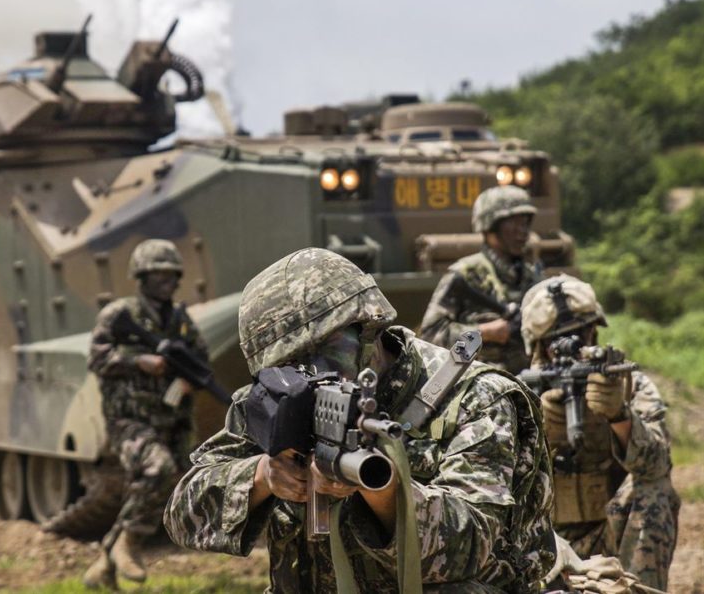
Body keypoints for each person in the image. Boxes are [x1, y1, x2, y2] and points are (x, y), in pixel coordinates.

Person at [164, 247, 555, 593]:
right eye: (292, 363)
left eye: (329, 351)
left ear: (370, 328)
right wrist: (264, 476)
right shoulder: (280, 399)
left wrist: (382, 493)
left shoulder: (475, 398)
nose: (313, 374)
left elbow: (470, 548)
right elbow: (182, 514)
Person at [520, 275, 680, 591]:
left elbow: (657, 466)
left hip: (612, 536)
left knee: (653, 489)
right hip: (545, 544)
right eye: (558, 340)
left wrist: (620, 416)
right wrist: (539, 436)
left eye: (583, 334)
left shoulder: (628, 386)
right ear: (537, 347)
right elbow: (496, 488)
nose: (574, 347)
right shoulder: (517, 395)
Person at [82, 239, 209, 588]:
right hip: (130, 419)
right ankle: (129, 544)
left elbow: (200, 358)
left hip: (172, 420)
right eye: (159, 273)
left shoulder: (181, 321)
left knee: (180, 481)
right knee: (158, 469)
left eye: (172, 274)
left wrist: (188, 379)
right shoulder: (119, 315)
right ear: (141, 276)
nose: (167, 280)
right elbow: (96, 359)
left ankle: (108, 558)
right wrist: (138, 361)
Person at [420, 185, 542, 374]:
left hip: (531, 381)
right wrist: (486, 332)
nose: (523, 231)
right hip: (479, 383)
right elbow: (430, 335)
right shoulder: (465, 275)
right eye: (514, 223)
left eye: (526, 223)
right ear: (490, 226)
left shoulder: (532, 276)